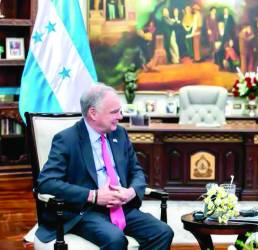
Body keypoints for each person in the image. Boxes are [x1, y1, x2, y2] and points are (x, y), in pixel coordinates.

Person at [35, 85, 174, 250]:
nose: (120, 116)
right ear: (93, 113)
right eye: (114, 112)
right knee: (115, 239)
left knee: (163, 232)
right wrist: (93, 196)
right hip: (86, 212)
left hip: (121, 207)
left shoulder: (119, 134)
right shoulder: (67, 139)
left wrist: (130, 192)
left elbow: (136, 171)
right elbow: (46, 182)